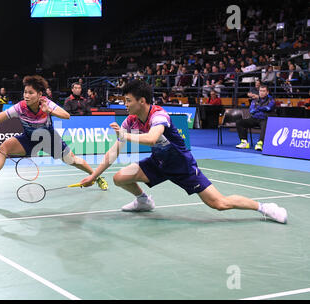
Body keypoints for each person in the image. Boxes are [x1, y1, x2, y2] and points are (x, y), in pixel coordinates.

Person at [79, 80, 287, 223]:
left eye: (128, 101)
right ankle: (144, 201)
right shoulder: (131, 120)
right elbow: (113, 152)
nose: (124, 105)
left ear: (142, 101)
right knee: (120, 177)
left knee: (219, 203)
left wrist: (126, 136)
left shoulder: (159, 116)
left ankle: (264, 207)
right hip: (158, 163)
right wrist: (94, 176)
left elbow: (152, 138)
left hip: (182, 166)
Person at [0, 75, 108, 193]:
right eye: (25, 92)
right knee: (5, 147)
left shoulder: (46, 103)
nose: (26, 95)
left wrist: (49, 110)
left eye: (30, 93)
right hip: (29, 138)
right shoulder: (20, 107)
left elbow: (66, 115)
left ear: (39, 94)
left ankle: (96, 176)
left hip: (49, 139)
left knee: (72, 160)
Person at [236, 85, 275, 151]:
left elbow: (268, 108)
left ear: (267, 92)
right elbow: (251, 110)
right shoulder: (254, 100)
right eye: (260, 91)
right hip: (254, 118)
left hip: (264, 119)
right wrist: (262, 109)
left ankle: (260, 143)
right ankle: (244, 142)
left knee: (266, 124)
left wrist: (257, 108)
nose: (261, 92)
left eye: (263, 91)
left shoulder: (271, 100)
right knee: (240, 122)